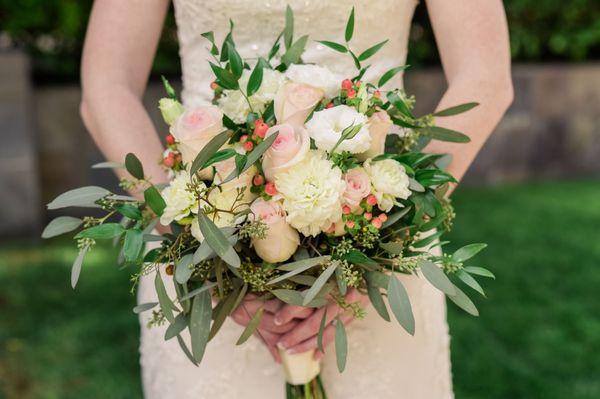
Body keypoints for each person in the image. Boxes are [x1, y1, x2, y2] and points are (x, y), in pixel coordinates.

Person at [80, 1, 513, 397]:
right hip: (206, 271)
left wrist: (379, 251)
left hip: (377, 242)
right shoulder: (201, 247)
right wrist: (200, 244)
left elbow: (485, 76)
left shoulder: (379, 245)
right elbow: (106, 86)